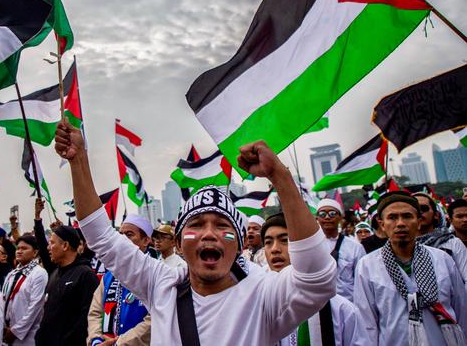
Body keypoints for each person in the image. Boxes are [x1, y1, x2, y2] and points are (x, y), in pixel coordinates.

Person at [54, 120, 336, 345]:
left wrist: (280, 177)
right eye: (197, 224)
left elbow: (317, 280)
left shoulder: (264, 293)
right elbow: (101, 236)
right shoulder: (161, 284)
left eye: (222, 225)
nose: (209, 234)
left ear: (238, 245)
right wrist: (78, 161)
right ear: (178, 244)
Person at [354, 191, 467, 345]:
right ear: (382, 224)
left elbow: (461, 310)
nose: (400, 223)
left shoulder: (442, 260)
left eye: (407, 216)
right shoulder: (367, 266)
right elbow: (366, 324)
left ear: (419, 221)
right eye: (392, 217)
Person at [262, 213, 367, 345]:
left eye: (284, 240)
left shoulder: (342, 310)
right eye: (268, 242)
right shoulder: (258, 307)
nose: (275, 249)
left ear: (303, 248)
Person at [88, 215, 153, 346]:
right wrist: (96, 340)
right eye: (120, 234)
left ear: (146, 240)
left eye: (129, 235)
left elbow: (154, 321)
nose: (122, 239)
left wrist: (119, 343)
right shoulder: (109, 275)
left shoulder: (155, 274)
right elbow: (95, 312)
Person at [35, 224, 99, 346]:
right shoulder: (55, 273)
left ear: (65, 245)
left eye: (52, 243)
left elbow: (87, 319)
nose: (49, 248)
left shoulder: (85, 275)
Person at [315, 199, 365, 301]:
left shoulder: (355, 247)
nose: (327, 217)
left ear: (340, 217)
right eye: (323, 214)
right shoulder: (310, 246)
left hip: (349, 304)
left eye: (332, 213)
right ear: (317, 218)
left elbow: (363, 280)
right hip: (319, 305)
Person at [2, 235, 47, 345]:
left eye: (24, 248)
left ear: (35, 252)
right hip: (6, 329)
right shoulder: (12, 274)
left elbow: (36, 306)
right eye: (18, 248)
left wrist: (15, 331)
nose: (19, 251)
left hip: (26, 334)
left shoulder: (39, 273)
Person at [414, 192, 467, 280]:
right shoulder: (401, 246)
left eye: (423, 208)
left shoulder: (452, 243)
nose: (419, 212)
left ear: (436, 215)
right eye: (414, 209)